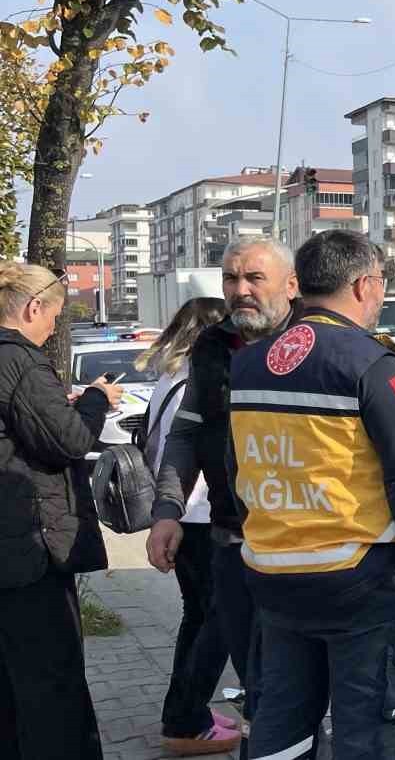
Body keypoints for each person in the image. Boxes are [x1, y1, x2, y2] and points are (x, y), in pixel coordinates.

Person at [232, 230, 395, 760]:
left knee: (282, 726)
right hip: (361, 579)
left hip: (274, 574)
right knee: (369, 731)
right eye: (380, 285)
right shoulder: (372, 361)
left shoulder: (251, 362)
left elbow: (241, 462)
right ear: (363, 284)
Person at [146, 237, 301, 755]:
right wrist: (167, 511)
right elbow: (187, 433)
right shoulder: (214, 347)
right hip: (232, 541)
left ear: (291, 285)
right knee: (258, 683)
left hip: (308, 546)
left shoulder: (316, 341)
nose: (241, 291)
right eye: (231, 279)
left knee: (297, 685)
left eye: (254, 278)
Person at [0, 262, 124, 760]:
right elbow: (68, 441)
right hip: (28, 550)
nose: (53, 326)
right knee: (51, 681)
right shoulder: (21, 361)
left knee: (11, 686)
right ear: (34, 308)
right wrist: (94, 400)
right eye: (53, 315)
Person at [138, 296, 240, 756]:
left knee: (199, 618)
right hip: (198, 517)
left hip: (185, 516)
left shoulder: (168, 378)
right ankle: (186, 718)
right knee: (215, 625)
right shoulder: (193, 383)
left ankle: (185, 712)